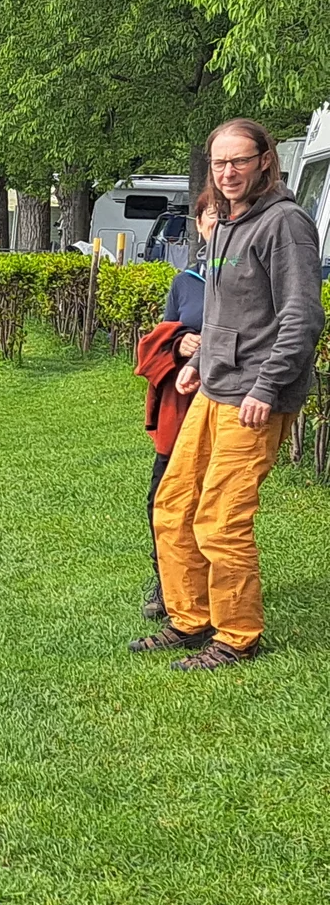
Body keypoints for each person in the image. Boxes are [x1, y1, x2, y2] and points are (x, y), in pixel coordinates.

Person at [132, 118, 325, 670]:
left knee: (220, 517)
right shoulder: (227, 225)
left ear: (266, 159)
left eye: (239, 160)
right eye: (220, 163)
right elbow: (219, 311)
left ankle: (238, 634)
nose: (228, 172)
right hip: (215, 386)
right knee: (173, 507)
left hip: (253, 398)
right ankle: (189, 619)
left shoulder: (285, 225)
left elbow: (302, 316)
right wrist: (201, 365)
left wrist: (267, 385)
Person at [135, 190, 218, 620]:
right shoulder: (186, 279)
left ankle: (209, 591)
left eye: (225, 215)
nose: (216, 222)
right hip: (182, 407)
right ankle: (167, 582)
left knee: (210, 503)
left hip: (224, 404)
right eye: (209, 216)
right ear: (199, 223)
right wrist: (179, 342)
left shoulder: (246, 275)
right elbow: (162, 333)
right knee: (163, 498)